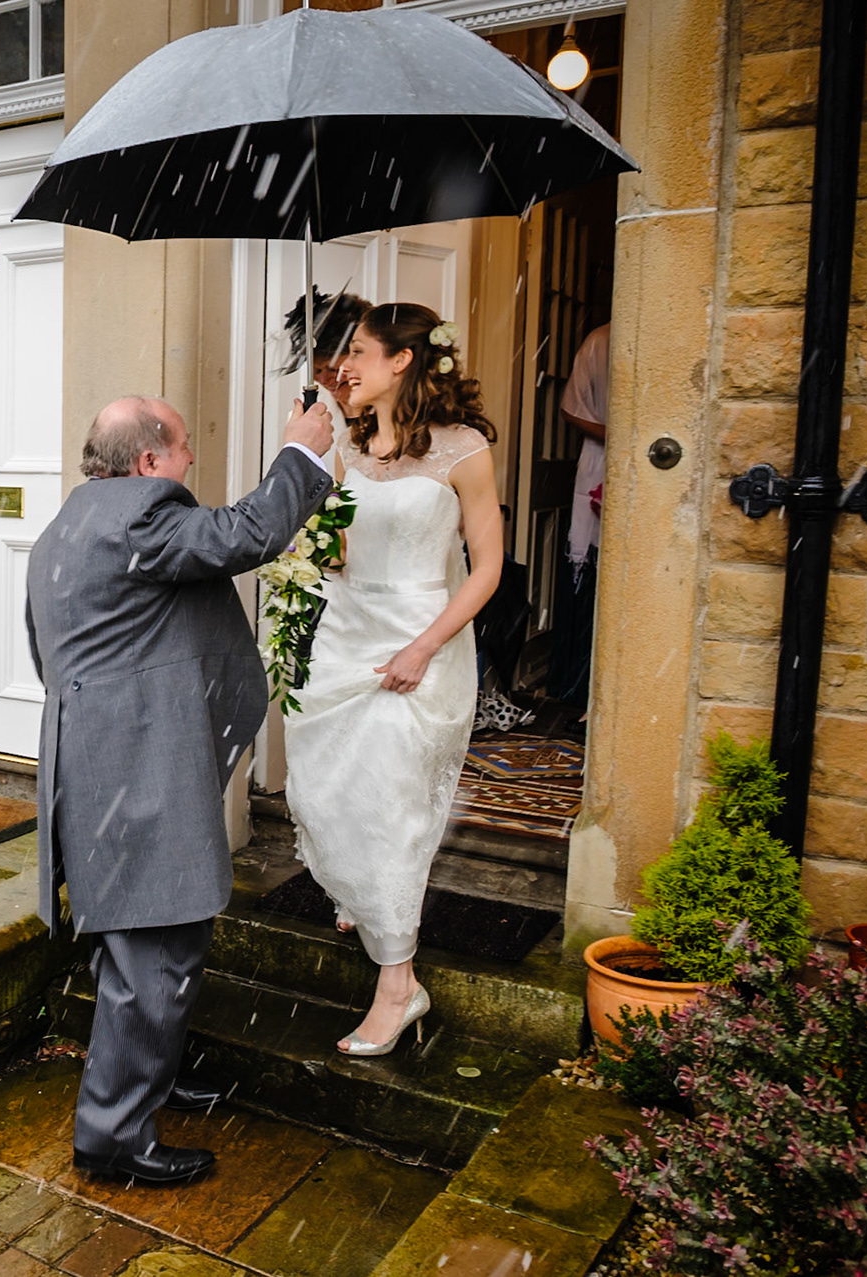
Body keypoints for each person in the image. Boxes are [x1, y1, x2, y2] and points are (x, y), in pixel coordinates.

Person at [25, 394, 335, 1186]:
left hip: (96, 761)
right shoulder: (141, 515)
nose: (191, 459)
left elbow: (50, 652)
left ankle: (149, 1077)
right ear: (147, 461)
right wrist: (300, 452)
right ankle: (113, 1137)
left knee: (146, 942)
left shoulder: (66, 525)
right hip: (133, 769)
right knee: (153, 950)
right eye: (185, 446)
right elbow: (246, 535)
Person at [282, 303, 504, 1056]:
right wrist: (306, 487)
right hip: (346, 636)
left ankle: (399, 985)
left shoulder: (463, 450)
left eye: (359, 352)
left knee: (392, 807)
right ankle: (362, 894)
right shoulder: (346, 442)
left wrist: (423, 647)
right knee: (322, 787)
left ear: (402, 360)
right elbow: (340, 550)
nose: (345, 366)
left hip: (420, 644)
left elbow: (487, 569)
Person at [548, 322, 609, 710]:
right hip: (599, 457)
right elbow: (571, 408)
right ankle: (576, 686)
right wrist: (619, 434)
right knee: (587, 574)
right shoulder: (599, 341)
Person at [282, 287, 371, 432]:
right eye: (317, 370)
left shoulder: (396, 412)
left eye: (334, 369)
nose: (324, 380)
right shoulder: (307, 416)